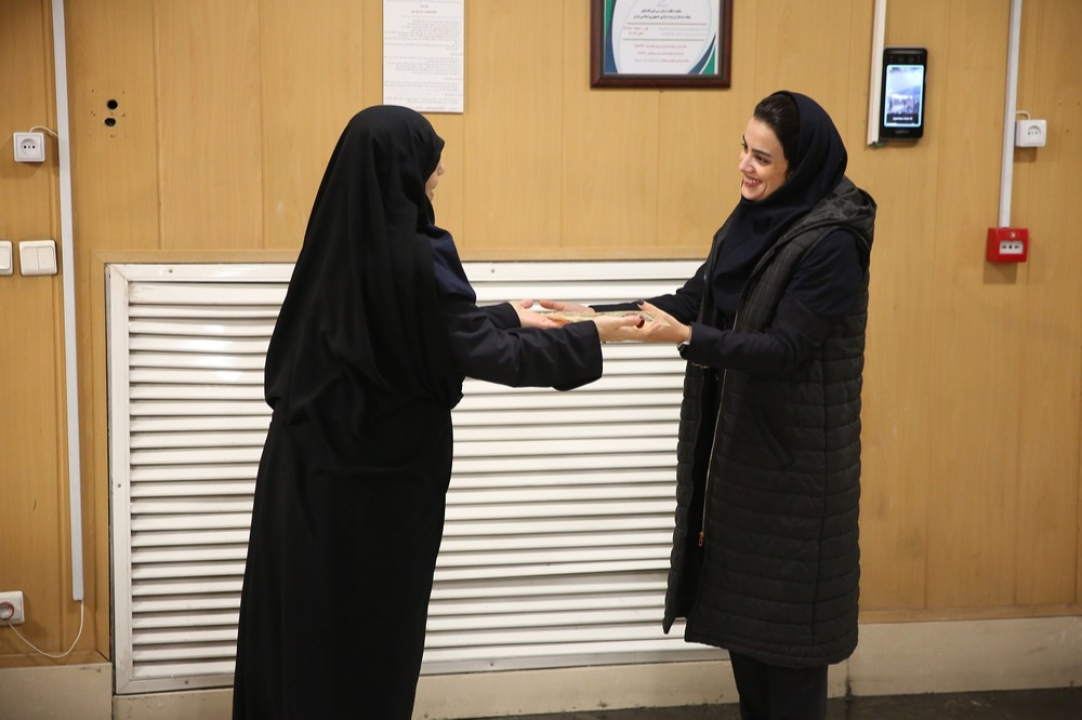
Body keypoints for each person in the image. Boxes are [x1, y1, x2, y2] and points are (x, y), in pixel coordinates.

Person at [231, 105, 639, 720]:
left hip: (304, 477)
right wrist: (596, 332)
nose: (440, 171)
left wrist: (506, 312)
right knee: (370, 638)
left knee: (304, 625)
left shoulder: (335, 243)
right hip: (380, 493)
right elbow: (490, 354)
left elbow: (427, 328)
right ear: (400, 168)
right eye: (431, 159)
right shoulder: (418, 256)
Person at [543, 91, 876, 719]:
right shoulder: (753, 219)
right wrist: (599, 316)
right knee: (749, 650)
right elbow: (695, 298)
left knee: (790, 662)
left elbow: (784, 349)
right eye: (744, 149)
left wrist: (688, 338)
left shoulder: (833, 241)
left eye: (763, 158)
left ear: (799, 165)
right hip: (743, 471)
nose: (745, 165)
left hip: (798, 483)